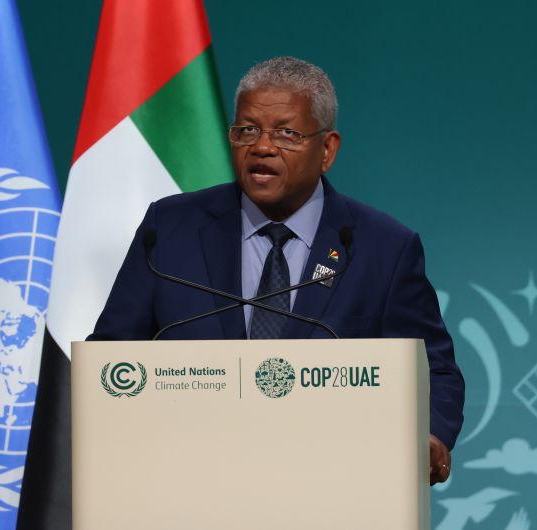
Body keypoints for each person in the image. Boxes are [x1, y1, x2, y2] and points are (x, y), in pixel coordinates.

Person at [89, 56, 464, 484]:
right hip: (188, 479)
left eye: (286, 133)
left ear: (327, 149)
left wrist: (430, 433)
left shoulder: (383, 247)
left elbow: (434, 369)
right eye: (247, 130)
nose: (262, 146)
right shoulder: (170, 230)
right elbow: (112, 355)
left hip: (331, 483)